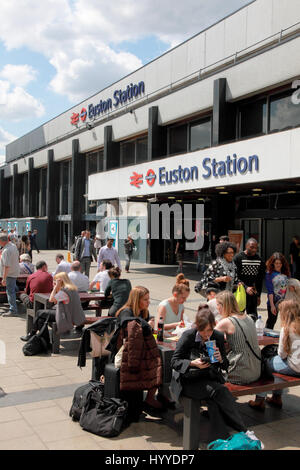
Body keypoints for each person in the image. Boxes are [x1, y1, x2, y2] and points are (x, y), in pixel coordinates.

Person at [170, 306, 260, 443]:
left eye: (210, 330)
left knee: (216, 400)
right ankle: (244, 430)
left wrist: (220, 358)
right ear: (197, 328)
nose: (207, 335)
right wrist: (193, 363)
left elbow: (225, 365)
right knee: (220, 391)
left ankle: (220, 440)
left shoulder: (217, 336)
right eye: (203, 331)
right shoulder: (188, 336)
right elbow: (175, 361)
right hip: (189, 380)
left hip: (208, 377)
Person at [115, 286, 163, 410]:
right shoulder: (126, 312)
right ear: (137, 300)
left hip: (137, 349)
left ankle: (158, 394)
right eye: (145, 299)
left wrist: (150, 324)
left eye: (149, 299)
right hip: (124, 352)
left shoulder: (142, 312)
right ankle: (151, 397)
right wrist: (146, 324)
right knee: (157, 362)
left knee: (160, 360)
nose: (149, 302)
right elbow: (129, 326)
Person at [249, 300, 300, 410]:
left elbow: (282, 355)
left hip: (294, 367)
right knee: (274, 363)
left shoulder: (286, 329)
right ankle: (276, 397)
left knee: (263, 362)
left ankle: (260, 399)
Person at [21, 272, 86, 343]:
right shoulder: (73, 289)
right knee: (40, 319)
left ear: (60, 281)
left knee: (39, 312)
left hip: (66, 316)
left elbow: (51, 300)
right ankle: (42, 339)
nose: (53, 283)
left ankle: (33, 335)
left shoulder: (64, 291)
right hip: (72, 314)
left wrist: (55, 288)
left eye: (55, 281)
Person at [215, 291, 261, 385]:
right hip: (256, 368)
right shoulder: (248, 317)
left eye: (217, 304)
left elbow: (208, 339)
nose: (216, 307)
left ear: (223, 305)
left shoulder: (226, 322)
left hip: (239, 371)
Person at [234, 238, 265, 321]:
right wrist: (246, 287)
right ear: (246, 246)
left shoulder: (259, 260)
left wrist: (258, 295)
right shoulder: (238, 258)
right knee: (238, 315)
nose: (254, 249)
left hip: (252, 293)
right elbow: (235, 277)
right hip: (240, 292)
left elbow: (260, 279)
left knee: (253, 316)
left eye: (256, 247)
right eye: (251, 247)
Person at [265, 252, 290, 330]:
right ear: (273, 264)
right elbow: (270, 291)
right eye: (276, 263)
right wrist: (272, 306)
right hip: (274, 302)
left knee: (287, 321)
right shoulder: (269, 274)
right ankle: (267, 339)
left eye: (280, 263)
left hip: (285, 302)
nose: (278, 265)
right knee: (271, 321)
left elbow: (289, 284)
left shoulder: (286, 273)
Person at [0, 233, 20, 316]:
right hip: (14, 272)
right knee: (12, 289)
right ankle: (14, 307)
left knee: (10, 291)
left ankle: (13, 310)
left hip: (9, 274)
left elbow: (6, 266)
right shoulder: (12, 246)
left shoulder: (6, 250)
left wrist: (4, 278)